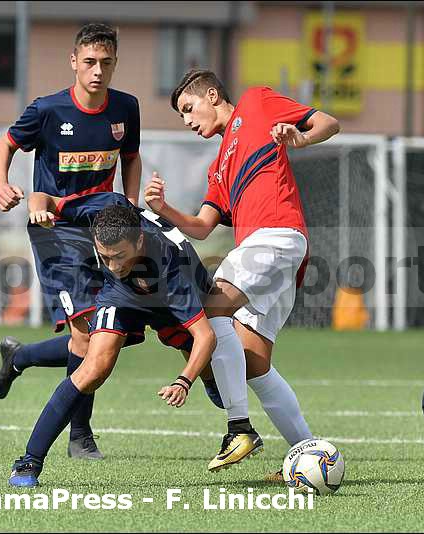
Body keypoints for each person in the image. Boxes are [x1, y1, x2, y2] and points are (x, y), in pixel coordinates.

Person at [144, 69, 340, 471]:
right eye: (181, 115)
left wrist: (301, 139)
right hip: (269, 252)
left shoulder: (256, 102)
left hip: (276, 236)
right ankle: (312, 457)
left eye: (188, 108)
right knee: (254, 363)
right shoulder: (218, 167)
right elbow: (202, 226)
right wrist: (164, 209)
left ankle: (239, 428)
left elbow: (328, 122)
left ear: (212, 96)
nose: (187, 120)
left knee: (212, 307)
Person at [0, 23, 141, 460]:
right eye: (89, 62)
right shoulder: (48, 110)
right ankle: (80, 435)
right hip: (54, 229)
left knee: (111, 333)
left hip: (104, 230)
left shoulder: (126, 108)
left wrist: (131, 207)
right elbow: (5, 144)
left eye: (106, 63)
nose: (98, 71)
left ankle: (19, 358)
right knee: (87, 331)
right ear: (74, 61)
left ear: (115, 64)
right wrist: (2, 184)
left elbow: (131, 158)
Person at [8, 192, 217, 487]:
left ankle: (239, 424)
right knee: (93, 369)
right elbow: (43, 198)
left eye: (120, 256)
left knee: (218, 388)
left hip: (168, 299)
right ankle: (28, 462)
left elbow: (205, 336)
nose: (114, 266)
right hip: (119, 295)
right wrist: (37, 211)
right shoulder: (105, 211)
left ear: (139, 241)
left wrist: (184, 381)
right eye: (105, 257)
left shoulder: (171, 265)